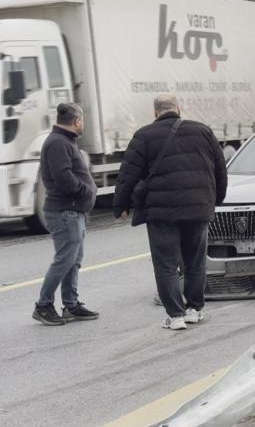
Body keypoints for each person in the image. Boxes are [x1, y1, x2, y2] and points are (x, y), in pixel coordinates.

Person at [113, 95, 227, 330]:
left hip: (161, 213)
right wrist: (216, 199)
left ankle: (175, 316)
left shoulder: (144, 135)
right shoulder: (203, 131)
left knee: (165, 264)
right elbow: (220, 170)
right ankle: (195, 310)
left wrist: (121, 205)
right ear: (178, 108)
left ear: (155, 113)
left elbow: (128, 175)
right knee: (195, 262)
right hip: (198, 209)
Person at [33, 103, 99, 326]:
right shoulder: (58, 143)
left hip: (73, 211)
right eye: (83, 121)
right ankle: (43, 306)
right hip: (64, 211)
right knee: (64, 260)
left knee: (74, 260)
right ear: (77, 121)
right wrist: (85, 191)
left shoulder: (64, 141)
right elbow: (63, 178)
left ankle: (70, 305)